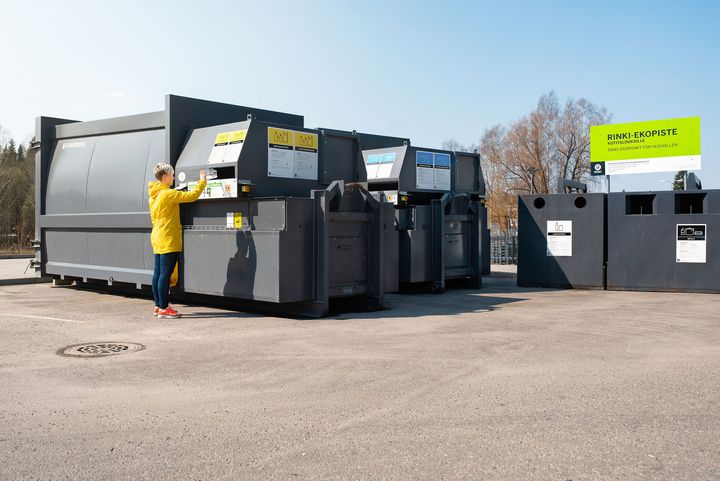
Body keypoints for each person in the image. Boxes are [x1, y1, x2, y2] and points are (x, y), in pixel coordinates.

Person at [148, 164, 207, 319]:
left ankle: (157, 305)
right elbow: (192, 196)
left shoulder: (154, 195)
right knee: (165, 274)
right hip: (168, 237)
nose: (173, 178)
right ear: (165, 176)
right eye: (172, 175)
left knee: (158, 273)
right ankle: (164, 308)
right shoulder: (168, 194)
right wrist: (202, 181)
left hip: (157, 236)